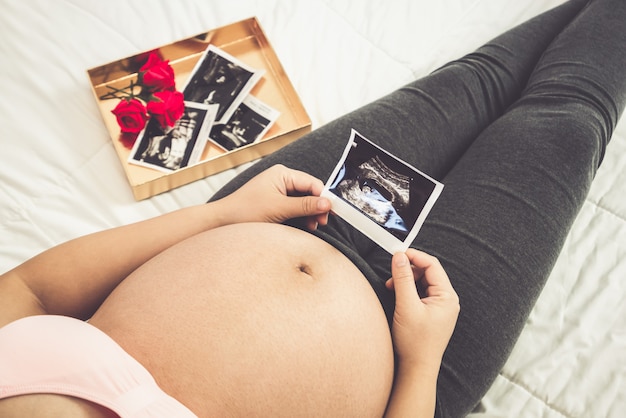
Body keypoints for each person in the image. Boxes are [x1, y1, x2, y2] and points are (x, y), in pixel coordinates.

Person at [1, 0, 625, 416]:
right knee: (569, 120)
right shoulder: (419, 357)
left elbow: (29, 290)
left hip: (267, 214)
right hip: (414, 349)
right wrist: (421, 362)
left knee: (472, 82)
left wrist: (222, 217)